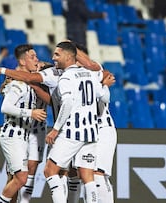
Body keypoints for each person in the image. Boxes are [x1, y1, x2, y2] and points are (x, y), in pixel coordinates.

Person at [43, 41, 110, 203]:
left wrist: (55, 129)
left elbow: (67, 103)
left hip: (72, 133)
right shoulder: (89, 74)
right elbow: (105, 97)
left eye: (57, 54)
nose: (53, 58)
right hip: (91, 133)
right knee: (88, 177)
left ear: (68, 56)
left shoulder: (66, 78)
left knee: (50, 171)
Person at [0, 44, 47, 203]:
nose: (37, 60)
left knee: (17, 179)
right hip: (13, 135)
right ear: (22, 62)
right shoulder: (18, 84)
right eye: (32, 57)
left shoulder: (29, 79)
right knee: (20, 177)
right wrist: (31, 112)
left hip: (23, 136)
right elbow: (5, 107)